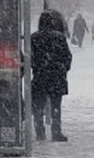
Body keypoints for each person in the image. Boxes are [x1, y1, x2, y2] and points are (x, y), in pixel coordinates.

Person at [31, 10, 73, 142]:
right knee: (56, 106)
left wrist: (37, 67)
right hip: (56, 77)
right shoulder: (59, 37)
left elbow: (30, 57)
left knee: (38, 107)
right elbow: (67, 57)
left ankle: (39, 132)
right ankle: (56, 132)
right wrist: (62, 69)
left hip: (40, 77)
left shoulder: (33, 38)